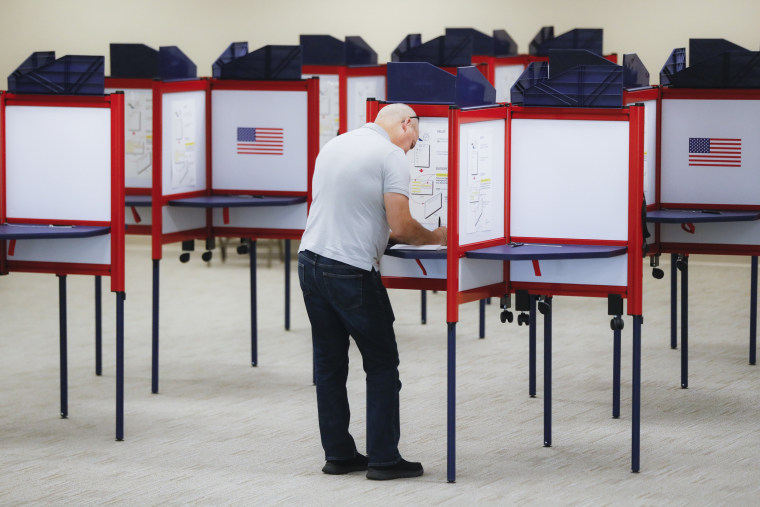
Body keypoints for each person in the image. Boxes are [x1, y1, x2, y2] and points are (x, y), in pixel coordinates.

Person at [298, 103, 447, 480]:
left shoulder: (336, 144)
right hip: (349, 269)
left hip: (310, 260)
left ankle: (339, 455)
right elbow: (400, 226)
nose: (413, 147)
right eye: (416, 138)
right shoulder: (390, 155)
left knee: (329, 365)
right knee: (382, 364)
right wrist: (439, 236)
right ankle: (384, 458)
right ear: (406, 124)